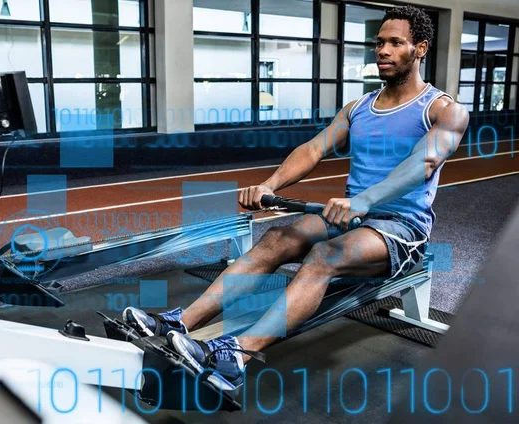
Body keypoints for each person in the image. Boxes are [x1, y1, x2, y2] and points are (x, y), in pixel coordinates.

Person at [122, 5, 469, 392]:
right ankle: (178, 321)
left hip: (400, 228)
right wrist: (270, 185)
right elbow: (313, 150)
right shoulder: (359, 108)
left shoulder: (444, 110)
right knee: (276, 240)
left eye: (395, 43)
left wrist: (365, 199)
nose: (383, 51)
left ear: (419, 49)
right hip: (351, 217)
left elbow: (423, 162)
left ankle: (236, 355)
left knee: (326, 256)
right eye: (379, 42)